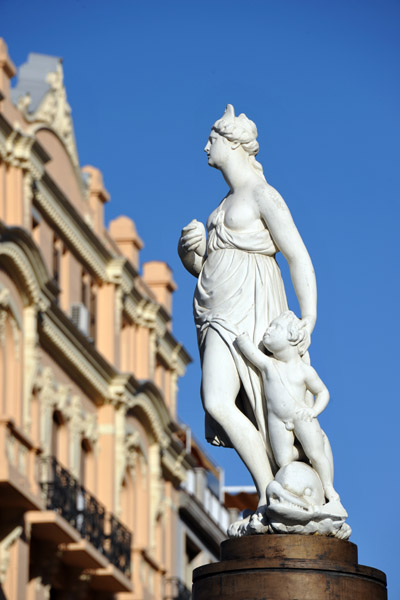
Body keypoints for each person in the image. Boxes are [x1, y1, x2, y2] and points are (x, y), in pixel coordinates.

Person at [178, 105, 317, 507]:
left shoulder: (262, 195)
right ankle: (268, 491)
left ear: (233, 144)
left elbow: (297, 256)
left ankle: (278, 487)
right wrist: (190, 257)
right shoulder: (221, 206)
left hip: (252, 308)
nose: (206, 146)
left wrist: (308, 316)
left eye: (213, 139)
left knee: (246, 403)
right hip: (214, 310)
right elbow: (211, 267)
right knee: (219, 401)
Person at [235, 311, 339, 504]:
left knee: (317, 455)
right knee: (283, 461)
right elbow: (251, 352)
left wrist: (313, 411)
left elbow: (323, 392)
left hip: (301, 416)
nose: (268, 331)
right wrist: (241, 339)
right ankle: (303, 452)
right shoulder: (269, 364)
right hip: (277, 420)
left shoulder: (304, 371)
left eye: (275, 327)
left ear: (291, 335)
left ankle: (328, 487)